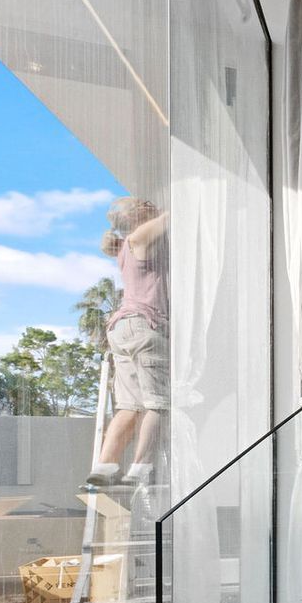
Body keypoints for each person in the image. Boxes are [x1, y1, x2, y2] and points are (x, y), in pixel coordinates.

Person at [88, 196, 168, 488]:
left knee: (129, 405)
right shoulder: (140, 235)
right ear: (137, 215)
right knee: (159, 403)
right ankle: (141, 468)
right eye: (145, 202)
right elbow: (175, 214)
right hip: (144, 324)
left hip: (122, 327)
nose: (152, 203)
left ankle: (106, 466)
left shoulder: (123, 246)